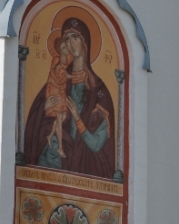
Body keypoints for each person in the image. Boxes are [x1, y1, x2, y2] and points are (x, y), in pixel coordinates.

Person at [24, 17, 116, 179]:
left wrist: (77, 118)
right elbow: (36, 122)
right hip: (58, 160)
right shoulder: (58, 81)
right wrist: (45, 109)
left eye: (75, 37)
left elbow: (97, 145)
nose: (71, 43)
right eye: (67, 38)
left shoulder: (99, 91)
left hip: (85, 165)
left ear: (85, 42)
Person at [44, 35, 72, 158]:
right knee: (60, 117)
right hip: (54, 88)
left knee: (64, 116)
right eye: (64, 47)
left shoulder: (69, 60)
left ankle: (50, 135)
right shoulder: (56, 60)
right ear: (60, 50)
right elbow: (54, 75)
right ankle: (60, 148)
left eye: (66, 46)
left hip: (61, 89)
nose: (67, 48)